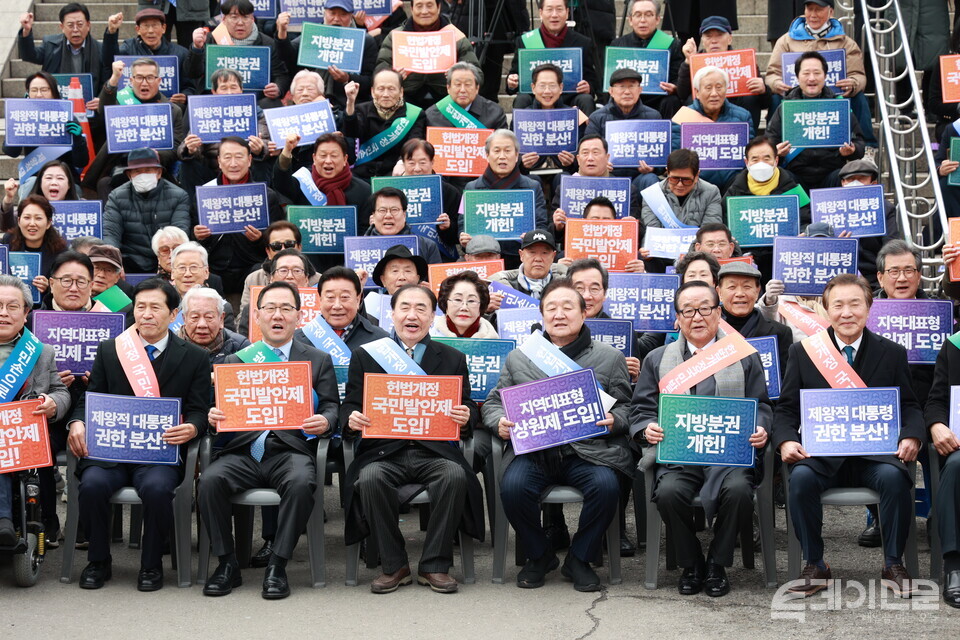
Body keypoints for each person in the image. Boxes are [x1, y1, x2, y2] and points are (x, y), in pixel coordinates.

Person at [772, 273, 924, 597]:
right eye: (838, 305)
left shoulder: (892, 352)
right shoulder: (805, 352)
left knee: (896, 479)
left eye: (855, 304)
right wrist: (786, 440)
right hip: (823, 456)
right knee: (799, 481)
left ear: (868, 307)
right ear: (826, 310)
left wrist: (912, 436)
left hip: (874, 456)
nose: (847, 312)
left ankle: (893, 563)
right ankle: (815, 563)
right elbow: (785, 409)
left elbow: (910, 405)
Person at [482, 278, 632, 591]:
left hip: (586, 451)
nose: (559, 314)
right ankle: (540, 555)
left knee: (606, 487)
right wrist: (499, 422)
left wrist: (614, 420)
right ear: (542, 314)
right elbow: (495, 402)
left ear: (583, 313)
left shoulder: (609, 357)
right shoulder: (520, 357)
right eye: (551, 308)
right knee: (512, 488)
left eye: (567, 307)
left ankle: (579, 557)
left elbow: (629, 408)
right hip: (535, 451)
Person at [67, 278, 211, 591]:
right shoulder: (111, 349)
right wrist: (77, 423)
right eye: (140, 307)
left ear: (173, 315)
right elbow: (90, 398)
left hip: (159, 453)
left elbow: (201, 410)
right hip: (111, 452)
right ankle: (98, 561)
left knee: (158, 490)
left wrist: (194, 427)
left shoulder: (195, 357)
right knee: (91, 486)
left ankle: (150, 565)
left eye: (155, 307)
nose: (146, 314)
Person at [630, 280, 771, 597]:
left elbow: (762, 405)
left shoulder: (744, 356)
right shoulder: (657, 359)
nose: (697, 317)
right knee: (667, 492)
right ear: (677, 318)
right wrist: (647, 427)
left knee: (737, 491)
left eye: (705, 309)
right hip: (680, 455)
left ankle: (717, 565)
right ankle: (692, 563)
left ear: (718, 313)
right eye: (688, 311)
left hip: (730, 454)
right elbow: (640, 409)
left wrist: (761, 427)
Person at [201, 281, 339, 599]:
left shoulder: (318, 359)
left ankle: (277, 563)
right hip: (244, 450)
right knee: (209, 480)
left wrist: (326, 420)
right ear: (258, 316)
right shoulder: (237, 361)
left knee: (303, 481)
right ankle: (226, 563)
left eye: (286, 309)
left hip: (290, 450)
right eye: (270, 309)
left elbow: (333, 406)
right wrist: (214, 418)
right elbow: (222, 411)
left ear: (298, 317)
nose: (278, 315)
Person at [341, 284, 482, 594]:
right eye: (404, 307)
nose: (412, 315)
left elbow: (468, 405)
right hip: (383, 452)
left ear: (433, 317)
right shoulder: (367, 356)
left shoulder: (452, 358)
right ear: (392, 314)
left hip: (434, 452)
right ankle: (394, 565)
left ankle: (434, 564)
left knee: (455, 475)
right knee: (370, 479)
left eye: (421, 309)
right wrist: (351, 419)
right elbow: (350, 405)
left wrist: (466, 415)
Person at [0, 276, 71, 548]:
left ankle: (5, 522)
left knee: (7, 445)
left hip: (21, 435)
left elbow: (61, 392)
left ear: (26, 313)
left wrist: (53, 402)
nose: (3, 313)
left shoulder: (40, 353)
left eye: (12, 306)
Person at [765, 0, 874, 147]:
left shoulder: (846, 42)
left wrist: (853, 83)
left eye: (819, 10)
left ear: (831, 12)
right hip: (796, 96)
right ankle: (772, 147)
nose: (813, 15)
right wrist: (776, 83)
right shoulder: (786, 40)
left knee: (859, 98)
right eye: (810, 9)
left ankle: (867, 147)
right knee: (776, 99)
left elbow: (859, 75)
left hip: (832, 97)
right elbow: (772, 73)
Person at [189, 136, 286, 297]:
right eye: (227, 157)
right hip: (215, 266)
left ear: (249, 160)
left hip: (251, 264)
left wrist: (259, 238)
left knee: (261, 272)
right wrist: (199, 235)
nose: (233, 163)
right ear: (219, 161)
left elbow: (277, 239)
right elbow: (192, 236)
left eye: (239, 157)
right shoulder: (204, 194)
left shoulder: (266, 195)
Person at [85, 57, 187, 197]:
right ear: (131, 81)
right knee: (104, 184)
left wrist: (155, 154)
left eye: (150, 77)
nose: (144, 83)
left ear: (159, 81)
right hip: (123, 168)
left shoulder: (172, 110)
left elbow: (176, 147)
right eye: (139, 78)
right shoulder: (122, 102)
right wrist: (114, 79)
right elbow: (104, 111)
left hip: (157, 169)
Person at [766, 53, 866, 193]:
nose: (811, 78)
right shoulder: (785, 108)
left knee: (849, 176)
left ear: (825, 76)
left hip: (832, 173)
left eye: (817, 73)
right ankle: (803, 213)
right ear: (797, 77)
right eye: (806, 73)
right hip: (796, 175)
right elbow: (769, 144)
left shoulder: (839, 106)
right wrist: (778, 152)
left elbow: (860, 145)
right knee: (780, 176)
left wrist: (852, 150)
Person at [460, 130, 549, 268]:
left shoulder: (532, 187)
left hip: (519, 258)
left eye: (507, 151)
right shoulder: (472, 188)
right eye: (497, 151)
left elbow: (541, 225)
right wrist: (463, 237)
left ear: (516, 155)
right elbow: (462, 223)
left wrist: (531, 237)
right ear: (487, 155)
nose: (502, 156)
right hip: (484, 257)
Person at [275, 0, 377, 114]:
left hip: (348, 103)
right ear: (325, 13)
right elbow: (287, 56)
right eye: (332, 13)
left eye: (343, 14)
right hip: (311, 100)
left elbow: (370, 81)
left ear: (351, 16)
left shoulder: (364, 41)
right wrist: (282, 32)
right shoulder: (313, 35)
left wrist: (347, 79)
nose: (337, 19)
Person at [375, 0, 481, 107]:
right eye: (419, 6)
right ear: (411, 9)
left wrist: (458, 74)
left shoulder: (456, 36)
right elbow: (379, 72)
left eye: (430, 6)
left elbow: (477, 74)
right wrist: (393, 76)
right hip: (405, 98)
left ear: (438, 7)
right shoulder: (396, 36)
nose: (424, 11)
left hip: (447, 99)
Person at [177, 68, 272, 188]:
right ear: (214, 92)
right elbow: (184, 147)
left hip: (245, 169)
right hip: (213, 171)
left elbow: (267, 143)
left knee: (261, 163)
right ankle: (194, 205)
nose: (229, 93)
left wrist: (259, 149)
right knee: (187, 164)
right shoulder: (204, 114)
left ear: (241, 90)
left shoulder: (256, 114)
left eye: (233, 87)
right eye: (224, 88)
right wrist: (191, 149)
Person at [188, 0, 291, 108]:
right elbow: (192, 73)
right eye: (234, 17)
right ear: (224, 19)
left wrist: (277, 88)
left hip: (256, 102)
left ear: (252, 19)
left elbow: (281, 75)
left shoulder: (267, 43)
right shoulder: (210, 39)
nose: (240, 22)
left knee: (272, 104)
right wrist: (197, 48)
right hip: (214, 100)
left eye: (245, 17)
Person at [103, 148, 191, 273]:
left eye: (148, 170)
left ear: (159, 172)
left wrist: (167, 259)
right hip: (132, 260)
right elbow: (111, 232)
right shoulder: (116, 197)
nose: (143, 175)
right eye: (137, 172)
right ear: (129, 175)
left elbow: (180, 231)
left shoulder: (178, 195)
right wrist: (113, 260)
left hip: (168, 257)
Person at [924, 309, 960, 608]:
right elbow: (936, 399)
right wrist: (936, 424)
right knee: (955, 465)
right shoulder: (954, 345)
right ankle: (954, 565)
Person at [505, 0, 598, 115]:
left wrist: (588, 87)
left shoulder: (582, 42)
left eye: (559, 9)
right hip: (536, 100)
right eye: (549, 9)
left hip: (569, 100)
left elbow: (592, 79)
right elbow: (515, 74)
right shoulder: (525, 41)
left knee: (586, 99)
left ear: (567, 12)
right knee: (522, 100)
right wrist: (512, 82)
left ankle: (588, 133)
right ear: (540, 13)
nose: (554, 15)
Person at [1, 73, 90, 193]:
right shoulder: (23, 117)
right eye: (34, 90)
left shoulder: (68, 118)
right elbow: (11, 152)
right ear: (28, 93)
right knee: (30, 184)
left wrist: (78, 139)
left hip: (64, 179)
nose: (38, 95)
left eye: (44, 90)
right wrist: (15, 126)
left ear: (54, 92)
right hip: (34, 177)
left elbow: (81, 162)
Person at [677, 16, 769, 131]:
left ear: (729, 38)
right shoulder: (695, 60)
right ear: (702, 40)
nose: (714, 41)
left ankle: (748, 137)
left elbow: (766, 102)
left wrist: (763, 90)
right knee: (692, 98)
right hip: (706, 108)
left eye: (719, 35)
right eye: (708, 36)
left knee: (751, 97)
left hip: (736, 107)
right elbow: (682, 94)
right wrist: (688, 62)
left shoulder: (744, 61)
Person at [671, 66, 755, 192]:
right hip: (696, 183)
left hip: (733, 182)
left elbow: (750, 154)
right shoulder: (682, 117)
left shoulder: (743, 116)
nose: (714, 93)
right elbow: (676, 155)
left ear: (726, 90)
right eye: (708, 88)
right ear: (697, 92)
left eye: (719, 87)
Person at [272, 133, 373, 233]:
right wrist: (287, 150)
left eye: (334, 156)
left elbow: (364, 232)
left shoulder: (363, 191)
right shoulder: (303, 180)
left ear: (345, 159)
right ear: (314, 158)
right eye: (323, 155)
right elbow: (281, 183)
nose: (328, 161)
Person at [17, 4, 118, 96]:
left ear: (88, 25)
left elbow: (108, 76)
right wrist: (26, 30)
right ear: (62, 27)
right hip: (58, 105)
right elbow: (29, 55)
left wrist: (101, 100)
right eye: (70, 25)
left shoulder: (100, 50)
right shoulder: (51, 45)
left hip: (90, 106)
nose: (75, 30)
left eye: (79, 24)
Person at [344, 69, 426, 180]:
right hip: (363, 172)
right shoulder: (361, 109)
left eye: (391, 89)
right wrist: (350, 102)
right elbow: (351, 132)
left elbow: (414, 143)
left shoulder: (415, 114)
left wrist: (401, 162)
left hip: (396, 171)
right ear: (373, 91)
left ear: (401, 91)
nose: (386, 94)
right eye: (381, 89)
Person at [584, 68, 661, 186]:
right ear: (611, 91)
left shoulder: (653, 116)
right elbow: (588, 150)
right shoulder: (597, 117)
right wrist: (600, 164)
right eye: (621, 86)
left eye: (632, 86)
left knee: (651, 178)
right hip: (609, 175)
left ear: (640, 90)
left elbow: (662, 156)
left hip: (639, 177)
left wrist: (653, 167)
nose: (627, 92)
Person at [608, 0, 683, 119]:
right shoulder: (618, 45)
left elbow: (676, 78)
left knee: (672, 100)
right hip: (627, 98)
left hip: (658, 99)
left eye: (648, 15)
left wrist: (674, 87)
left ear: (657, 19)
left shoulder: (672, 45)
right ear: (630, 20)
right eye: (638, 15)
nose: (643, 20)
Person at [716, 261, 793, 377]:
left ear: (757, 291)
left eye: (747, 287)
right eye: (732, 287)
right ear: (719, 292)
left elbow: (785, 380)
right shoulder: (707, 331)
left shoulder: (780, 332)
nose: (740, 293)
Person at [549, 135, 643, 224]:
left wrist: (633, 224)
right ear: (578, 159)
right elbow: (551, 228)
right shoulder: (565, 189)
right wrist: (558, 226)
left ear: (607, 158)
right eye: (585, 153)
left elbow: (641, 229)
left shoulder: (626, 189)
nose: (590, 158)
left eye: (595, 153)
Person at [836, 159, 900, 289]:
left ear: (873, 183)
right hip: (838, 273)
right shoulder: (828, 209)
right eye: (850, 179)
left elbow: (891, 245)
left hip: (874, 277)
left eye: (861, 179)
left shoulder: (885, 209)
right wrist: (837, 245)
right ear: (843, 183)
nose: (855, 183)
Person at [515, 64, 586, 177]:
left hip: (564, 172)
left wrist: (572, 162)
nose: (547, 91)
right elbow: (512, 152)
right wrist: (522, 163)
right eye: (542, 86)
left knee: (562, 179)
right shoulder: (522, 117)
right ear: (533, 88)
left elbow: (583, 153)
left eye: (552, 86)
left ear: (561, 88)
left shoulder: (574, 115)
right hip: (530, 173)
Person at [295, 266, 389, 351]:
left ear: (358, 299)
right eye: (330, 297)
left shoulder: (381, 340)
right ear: (320, 300)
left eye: (344, 297)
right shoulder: (298, 339)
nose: (337, 306)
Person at [115, 9, 196, 103]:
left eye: (155, 25)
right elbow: (109, 62)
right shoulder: (128, 49)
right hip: (134, 107)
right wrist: (112, 32)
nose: (150, 31)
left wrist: (185, 97)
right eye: (146, 26)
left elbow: (190, 86)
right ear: (138, 29)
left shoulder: (180, 53)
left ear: (164, 28)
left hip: (169, 106)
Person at [397, 138, 462, 253]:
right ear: (403, 163)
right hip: (400, 251)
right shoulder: (391, 190)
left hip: (439, 254)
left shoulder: (449, 192)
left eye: (422, 163)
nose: (417, 169)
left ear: (432, 162)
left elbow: (458, 234)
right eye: (411, 163)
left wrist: (447, 227)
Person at [240, 221, 321, 309]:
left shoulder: (319, 281)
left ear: (299, 248)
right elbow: (244, 318)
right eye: (276, 246)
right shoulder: (254, 279)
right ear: (268, 252)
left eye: (289, 244)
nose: (283, 250)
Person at [236, 249, 315, 338]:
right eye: (283, 270)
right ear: (271, 278)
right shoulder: (252, 309)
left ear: (306, 279)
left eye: (297, 271)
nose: (289, 276)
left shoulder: (321, 310)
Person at [640, 149, 723, 232]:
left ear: (697, 175)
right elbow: (653, 233)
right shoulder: (652, 194)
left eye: (686, 180)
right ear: (667, 172)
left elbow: (709, 232)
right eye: (674, 179)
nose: (679, 185)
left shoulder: (711, 192)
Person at [2, 195, 68, 292]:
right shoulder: (8, 242)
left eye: (38, 218)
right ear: (19, 221)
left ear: (48, 223)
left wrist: (49, 287)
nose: (32, 223)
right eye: (27, 218)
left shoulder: (61, 252)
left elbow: (65, 287)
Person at [365, 187, 442, 264]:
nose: (388, 215)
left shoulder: (427, 246)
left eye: (394, 210)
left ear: (404, 215)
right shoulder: (357, 248)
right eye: (382, 210)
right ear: (373, 215)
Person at [423, 62, 508, 132]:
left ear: (477, 88)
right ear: (448, 88)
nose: (462, 90)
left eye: (468, 84)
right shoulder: (432, 115)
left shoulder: (495, 113)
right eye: (458, 84)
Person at [2, 160, 83, 232]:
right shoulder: (30, 206)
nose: (54, 182)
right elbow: (7, 227)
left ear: (69, 184)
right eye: (49, 178)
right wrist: (8, 198)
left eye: (60, 178)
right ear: (40, 183)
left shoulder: (84, 206)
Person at [169, 242, 236, 330]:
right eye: (182, 268)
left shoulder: (222, 307)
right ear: (172, 273)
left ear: (206, 272)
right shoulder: (162, 304)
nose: (187, 274)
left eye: (194, 267)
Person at [488, 229, 567, 302]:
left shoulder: (567, 286)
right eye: (532, 252)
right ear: (521, 255)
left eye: (544, 253)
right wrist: (487, 311)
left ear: (553, 256)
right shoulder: (501, 287)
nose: (538, 259)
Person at [178, 286, 249, 364]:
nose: (202, 324)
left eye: (209, 317)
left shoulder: (241, 347)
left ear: (221, 319)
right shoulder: (168, 346)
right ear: (184, 319)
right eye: (195, 317)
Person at [432, 270, 498, 338]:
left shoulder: (494, 340)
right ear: (445, 304)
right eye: (457, 300)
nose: (464, 308)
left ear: (481, 306)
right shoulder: (428, 334)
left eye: (471, 301)